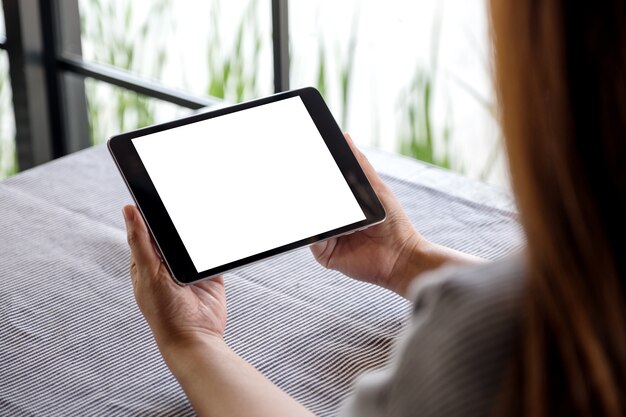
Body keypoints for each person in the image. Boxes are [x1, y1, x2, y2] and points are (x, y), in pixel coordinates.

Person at [122, 1, 626, 416]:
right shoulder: (579, 295)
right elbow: (570, 307)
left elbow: (517, 326)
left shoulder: (489, 336)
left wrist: (191, 340)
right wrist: (405, 257)